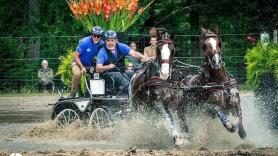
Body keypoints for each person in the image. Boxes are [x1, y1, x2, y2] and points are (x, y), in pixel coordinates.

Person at [70, 26, 104, 97]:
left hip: (88, 64)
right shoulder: (84, 42)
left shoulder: (101, 43)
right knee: (77, 74)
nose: (96, 38)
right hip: (77, 62)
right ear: (92, 35)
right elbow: (75, 55)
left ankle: (97, 95)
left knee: (99, 72)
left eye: (99, 36)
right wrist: (82, 67)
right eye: (94, 35)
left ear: (101, 37)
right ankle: (72, 94)